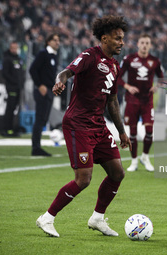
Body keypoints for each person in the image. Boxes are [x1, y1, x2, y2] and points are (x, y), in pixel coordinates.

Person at [36, 15, 131, 237]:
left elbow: (113, 101)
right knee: (84, 179)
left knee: (117, 173)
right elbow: (67, 72)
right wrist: (60, 81)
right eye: (117, 39)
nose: (122, 42)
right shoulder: (89, 56)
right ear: (104, 38)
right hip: (78, 124)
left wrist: (122, 131)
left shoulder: (115, 66)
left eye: (122, 38)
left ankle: (97, 218)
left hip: (98, 125)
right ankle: (47, 218)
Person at [117, 34, 164, 172]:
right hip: (132, 100)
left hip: (147, 100)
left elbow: (161, 78)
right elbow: (118, 77)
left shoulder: (155, 61)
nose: (144, 45)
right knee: (132, 132)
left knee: (149, 130)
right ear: (138, 44)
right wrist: (127, 87)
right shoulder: (129, 59)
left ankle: (145, 156)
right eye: (142, 42)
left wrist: (157, 86)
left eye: (147, 43)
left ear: (150, 45)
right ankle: (134, 161)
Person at [29, 33, 60, 156]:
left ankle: (37, 146)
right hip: (42, 90)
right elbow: (33, 69)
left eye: (58, 40)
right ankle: (35, 147)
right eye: (55, 40)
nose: (58, 42)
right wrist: (39, 84)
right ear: (48, 42)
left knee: (43, 119)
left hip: (49, 90)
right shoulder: (43, 54)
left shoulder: (54, 56)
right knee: (39, 118)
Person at [1, 41, 24, 137]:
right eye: (13, 48)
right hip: (11, 87)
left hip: (18, 87)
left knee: (15, 108)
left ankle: (13, 128)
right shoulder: (7, 59)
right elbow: (5, 73)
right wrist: (14, 82)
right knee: (10, 108)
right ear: (10, 48)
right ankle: (7, 129)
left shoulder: (19, 59)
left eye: (16, 48)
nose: (14, 50)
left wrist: (21, 83)